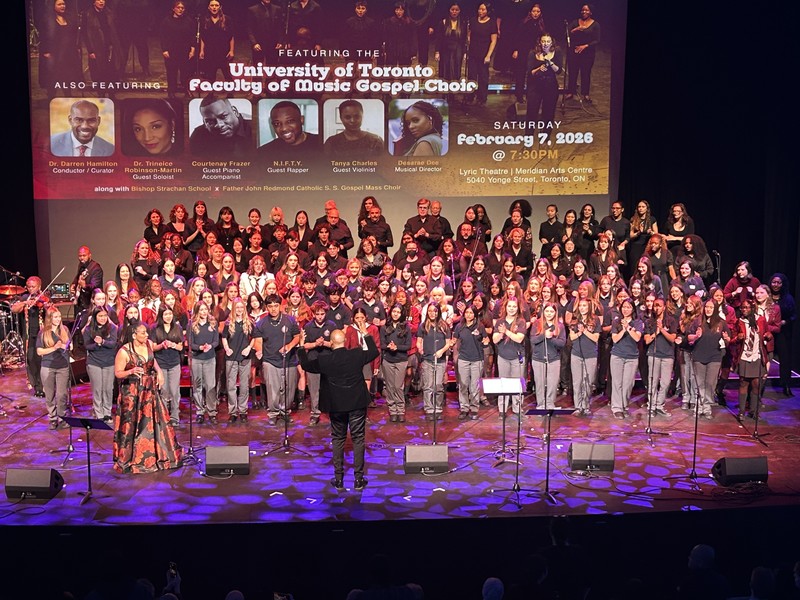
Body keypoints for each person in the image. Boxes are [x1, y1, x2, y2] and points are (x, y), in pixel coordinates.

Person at [298, 314, 377, 490]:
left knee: (338, 439)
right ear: (344, 342)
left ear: (331, 343)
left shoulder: (325, 360)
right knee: (358, 439)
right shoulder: (356, 354)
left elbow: (305, 364)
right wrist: (365, 333)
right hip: (356, 403)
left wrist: (301, 345)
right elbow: (373, 352)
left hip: (337, 406)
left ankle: (339, 479)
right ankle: (358, 480)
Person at [113, 322, 182, 473]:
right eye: (142, 333)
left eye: (146, 333)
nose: (146, 335)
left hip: (149, 390)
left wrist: (160, 373)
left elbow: (152, 360)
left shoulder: (148, 344)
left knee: (152, 422)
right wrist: (130, 372)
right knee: (133, 424)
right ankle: (132, 458)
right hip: (132, 393)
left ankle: (157, 456)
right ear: (134, 335)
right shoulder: (124, 351)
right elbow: (118, 373)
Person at [254, 293, 301, 425]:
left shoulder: (290, 320)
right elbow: (258, 341)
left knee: (289, 389)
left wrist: (289, 346)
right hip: (270, 360)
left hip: (289, 360)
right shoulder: (261, 323)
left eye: (276, 306)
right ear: (267, 307)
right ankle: (273, 413)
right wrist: (259, 351)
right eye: (270, 306)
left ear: (280, 306)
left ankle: (285, 412)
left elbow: (297, 337)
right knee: (272, 388)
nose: (273, 309)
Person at [10, 277, 47, 398]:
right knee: (31, 359)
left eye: (33, 287)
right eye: (29, 287)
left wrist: (42, 303)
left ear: (39, 287)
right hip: (29, 335)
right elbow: (14, 308)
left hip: (41, 334)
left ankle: (44, 386)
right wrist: (26, 303)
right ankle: (36, 386)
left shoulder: (44, 297)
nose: (31, 289)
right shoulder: (25, 298)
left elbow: (49, 308)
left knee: (41, 360)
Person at [38, 0, 82, 98]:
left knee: (66, 78)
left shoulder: (68, 18)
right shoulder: (48, 20)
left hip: (67, 54)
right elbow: (44, 37)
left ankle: (68, 97)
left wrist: (76, 49)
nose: (62, 6)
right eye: (59, 4)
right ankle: (51, 99)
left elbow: (72, 36)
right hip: (54, 54)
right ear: (53, 6)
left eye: (63, 4)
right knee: (53, 79)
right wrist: (46, 52)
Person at [36, 306, 72, 429]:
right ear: (50, 318)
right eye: (55, 317)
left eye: (59, 316)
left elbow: (69, 346)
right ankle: (52, 418)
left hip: (62, 366)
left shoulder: (65, 329)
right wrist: (54, 348)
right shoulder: (43, 332)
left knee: (62, 394)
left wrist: (65, 346)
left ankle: (62, 417)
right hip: (47, 367)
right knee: (49, 394)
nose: (58, 319)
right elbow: (39, 351)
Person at [417, 303, 454, 420]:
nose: (432, 313)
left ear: (438, 312)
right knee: (428, 386)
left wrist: (441, 351)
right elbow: (419, 341)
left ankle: (438, 407)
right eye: (430, 311)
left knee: (438, 385)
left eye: (435, 311)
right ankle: (428, 408)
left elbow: (448, 343)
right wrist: (420, 349)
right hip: (427, 359)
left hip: (440, 360)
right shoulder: (423, 326)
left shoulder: (444, 326)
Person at [221, 297, 255, 423]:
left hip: (245, 357)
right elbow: (224, 337)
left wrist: (249, 348)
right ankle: (233, 411)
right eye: (238, 307)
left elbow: (254, 337)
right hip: (231, 357)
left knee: (244, 385)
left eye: (242, 307)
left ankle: (243, 410)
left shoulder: (249, 322)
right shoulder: (228, 323)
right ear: (234, 308)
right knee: (231, 385)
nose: (240, 310)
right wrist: (227, 348)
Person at [82, 306, 118, 423]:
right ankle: (99, 413)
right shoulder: (88, 329)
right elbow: (87, 346)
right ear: (95, 317)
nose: (103, 318)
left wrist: (102, 342)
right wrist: (96, 345)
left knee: (108, 389)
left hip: (109, 362)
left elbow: (113, 344)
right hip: (94, 363)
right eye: (100, 316)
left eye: (104, 316)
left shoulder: (112, 328)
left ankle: (107, 412)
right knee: (97, 389)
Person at [150, 306, 184, 427]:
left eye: (170, 314)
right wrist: (162, 345)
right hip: (161, 363)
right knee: (163, 391)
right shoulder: (155, 328)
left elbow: (181, 346)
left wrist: (173, 345)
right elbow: (153, 347)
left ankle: (175, 416)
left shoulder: (177, 327)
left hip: (174, 362)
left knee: (174, 391)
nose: (168, 316)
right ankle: (163, 416)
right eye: (165, 314)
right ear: (161, 316)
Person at [609, 298, 643, 419]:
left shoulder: (637, 322)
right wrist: (623, 329)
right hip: (617, 355)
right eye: (624, 307)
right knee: (617, 383)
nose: (626, 309)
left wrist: (628, 327)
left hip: (632, 357)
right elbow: (615, 339)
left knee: (628, 383)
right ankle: (617, 407)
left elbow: (637, 338)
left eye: (628, 307)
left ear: (633, 308)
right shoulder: (616, 321)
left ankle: (624, 406)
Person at [493, 297, 527, 416]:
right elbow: (495, 339)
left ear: (517, 308)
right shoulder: (499, 322)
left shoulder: (521, 321)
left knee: (517, 383)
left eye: (514, 306)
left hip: (517, 357)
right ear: (505, 307)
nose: (511, 309)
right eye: (509, 306)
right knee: (503, 383)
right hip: (503, 356)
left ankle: (517, 408)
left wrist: (506, 331)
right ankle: (502, 409)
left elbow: (519, 338)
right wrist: (502, 333)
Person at [643, 297, 677, 417]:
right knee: (652, 381)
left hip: (667, 355)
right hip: (653, 354)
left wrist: (662, 329)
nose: (656, 307)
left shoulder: (671, 321)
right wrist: (656, 332)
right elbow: (646, 340)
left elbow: (672, 338)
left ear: (664, 307)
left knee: (665, 382)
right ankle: (651, 406)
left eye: (659, 305)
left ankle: (659, 405)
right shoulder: (649, 322)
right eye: (655, 305)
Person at [189, 94, 253, 157]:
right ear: (204, 123)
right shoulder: (198, 137)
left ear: (235, 112)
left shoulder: (253, 127)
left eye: (223, 116)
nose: (219, 125)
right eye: (210, 121)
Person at [735, 299, 768, 421]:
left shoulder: (761, 320)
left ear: (752, 308)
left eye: (747, 307)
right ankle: (742, 412)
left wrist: (768, 335)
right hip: (744, 355)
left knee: (756, 383)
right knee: (743, 383)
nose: (744, 310)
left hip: (757, 356)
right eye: (742, 308)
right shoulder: (740, 322)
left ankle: (753, 411)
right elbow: (733, 339)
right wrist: (738, 338)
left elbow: (767, 332)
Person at [188, 301, 220, 424]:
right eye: (201, 310)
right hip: (197, 359)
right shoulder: (192, 325)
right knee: (198, 386)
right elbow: (191, 343)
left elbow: (216, 341)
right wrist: (200, 347)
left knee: (210, 385)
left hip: (210, 358)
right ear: (197, 312)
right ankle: (200, 411)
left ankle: (212, 412)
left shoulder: (212, 323)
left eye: (205, 309)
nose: (203, 312)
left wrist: (210, 346)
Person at [526, 32, 562, 139]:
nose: (545, 44)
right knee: (532, 112)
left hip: (550, 86)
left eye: (548, 41)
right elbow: (529, 72)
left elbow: (559, 71)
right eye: (543, 41)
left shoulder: (557, 52)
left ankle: (545, 136)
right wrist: (538, 69)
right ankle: (529, 137)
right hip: (535, 87)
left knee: (548, 113)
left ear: (552, 43)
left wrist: (551, 63)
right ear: (540, 43)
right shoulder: (533, 53)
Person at [530, 302, 565, 410]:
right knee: (540, 384)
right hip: (538, 358)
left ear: (555, 313)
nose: (549, 313)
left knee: (553, 384)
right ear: (543, 312)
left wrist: (551, 338)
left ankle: (550, 404)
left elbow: (562, 343)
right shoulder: (537, 324)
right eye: (547, 311)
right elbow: (533, 340)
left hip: (553, 359)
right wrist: (543, 335)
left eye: (551, 311)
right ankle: (541, 404)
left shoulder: (559, 326)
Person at [569, 298, 600, 416]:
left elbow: (595, 338)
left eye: (584, 306)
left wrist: (585, 331)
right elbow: (572, 338)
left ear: (589, 307)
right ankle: (578, 406)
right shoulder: (574, 320)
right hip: (576, 354)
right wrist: (579, 332)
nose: (582, 308)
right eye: (580, 306)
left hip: (590, 354)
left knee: (588, 381)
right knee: (577, 381)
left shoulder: (595, 319)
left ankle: (586, 405)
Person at [160, 0, 196, 98]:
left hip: (184, 50)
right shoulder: (167, 21)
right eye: (178, 7)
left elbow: (192, 36)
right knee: (171, 72)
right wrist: (164, 49)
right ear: (173, 9)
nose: (180, 10)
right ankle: (171, 91)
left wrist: (192, 49)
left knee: (185, 72)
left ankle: (186, 89)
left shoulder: (188, 21)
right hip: (171, 51)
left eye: (182, 8)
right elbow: (163, 36)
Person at [565, 4, 600, 104]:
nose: (584, 12)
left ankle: (585, 93)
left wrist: (585, 46)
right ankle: (571, 92)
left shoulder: (595, 24)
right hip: (574, 51)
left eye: (587, 10)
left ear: (591, 12)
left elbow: (597, 40)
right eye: (583, 10)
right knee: (572, 72)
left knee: (586, 73)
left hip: (588, 52)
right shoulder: (575, 22)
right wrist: (575, 29)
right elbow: (566, 34)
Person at [82, 0, 123, 85]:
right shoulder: (88, 15)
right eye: (99, 0)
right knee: (99, 72)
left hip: (110, 47)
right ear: (94, 2)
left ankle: (111, 94)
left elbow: (114, 30)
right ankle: (101, 94)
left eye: (103, 0)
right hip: (97, 47)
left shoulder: (109, 13)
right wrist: (90, 51)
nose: (101, 2)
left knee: (112, 71)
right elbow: (85, 34)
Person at [434, 3, 468, 102]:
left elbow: (464, 40)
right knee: (445, 69)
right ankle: (444, 93)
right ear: (449, 10)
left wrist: (465, 53)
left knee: (455, 69)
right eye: (452, 10)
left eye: (456, 10)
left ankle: (453, 93)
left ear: (459, 11)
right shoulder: (443, 22)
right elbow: (439, 38)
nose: (454, 12)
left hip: (457, 49)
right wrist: (437, 51)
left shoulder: (463, 23)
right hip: (445, 49)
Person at [769, 272, 796, 396]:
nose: (775, 285)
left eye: (778, 283)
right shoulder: (766, 296)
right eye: (774, 282)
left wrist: (784, 321)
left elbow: (793, 316)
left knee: (784, 359)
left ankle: (785, 384)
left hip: (782, 333)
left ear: (782, 284)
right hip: (768, 331)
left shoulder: (788, 298)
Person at [466, 3, 497, 106]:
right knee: (472, 75)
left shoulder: (492, 23)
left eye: (483, 10)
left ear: (488, 11)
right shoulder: (473, 20)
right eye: (480, 9)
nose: (481, 11)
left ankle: (482, 98)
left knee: (483, 76)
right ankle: (470, 96)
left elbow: (493, 41)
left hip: (484, 53)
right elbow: (469, 35)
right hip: (473, 52)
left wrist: (488, 55)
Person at [247, 0, 284, 66]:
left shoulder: (277, 9)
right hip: (259, 44)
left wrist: (280, 41)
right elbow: (249, 29)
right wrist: (254, 43)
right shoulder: (252, 10)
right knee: (257, 69)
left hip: (273, 44)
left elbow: (280, 27)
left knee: (272, 68)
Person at [72, 245, 104, 315]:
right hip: (80, 303)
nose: (82, 258)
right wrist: (74, 285)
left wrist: (85, 286)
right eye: (80, 256)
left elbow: (95, 286)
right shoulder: (81, 265)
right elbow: (78, 277)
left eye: (84, 255)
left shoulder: (96, 268)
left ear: (89, 255)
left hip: (89, 303)